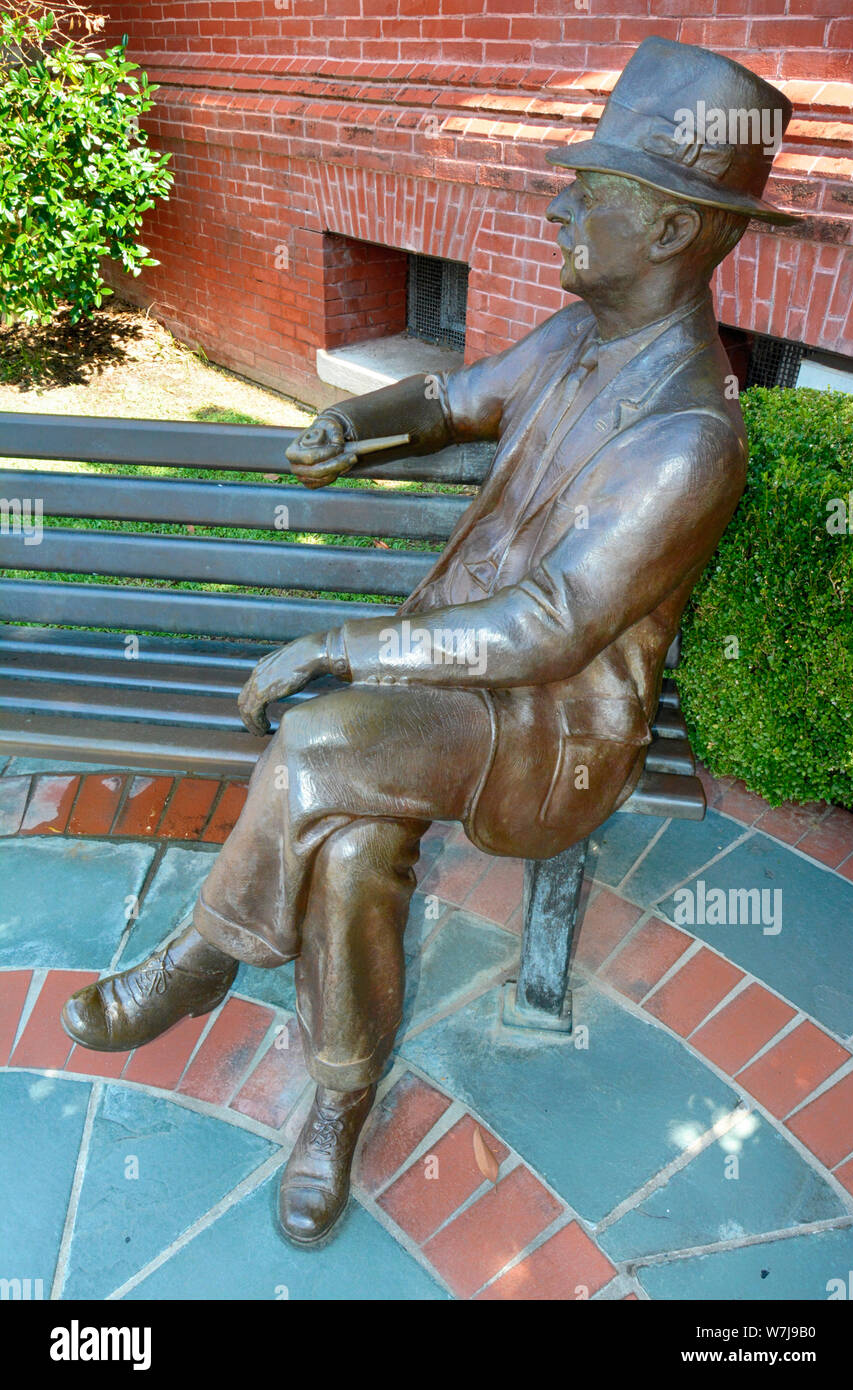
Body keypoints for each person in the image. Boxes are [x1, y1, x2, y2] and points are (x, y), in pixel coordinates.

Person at [61, 37, 798, 1246]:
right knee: (348, 849)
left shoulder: (688, 436)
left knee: (310, 750)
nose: (560, 208)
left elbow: (548, 625)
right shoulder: (580, 334)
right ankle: (337, 1106)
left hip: (548, 729)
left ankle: (202, 954)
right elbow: (457, 398)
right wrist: (358, 418)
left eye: (590, 193)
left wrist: (344, 648)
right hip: (457, 685)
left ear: (667, 230)